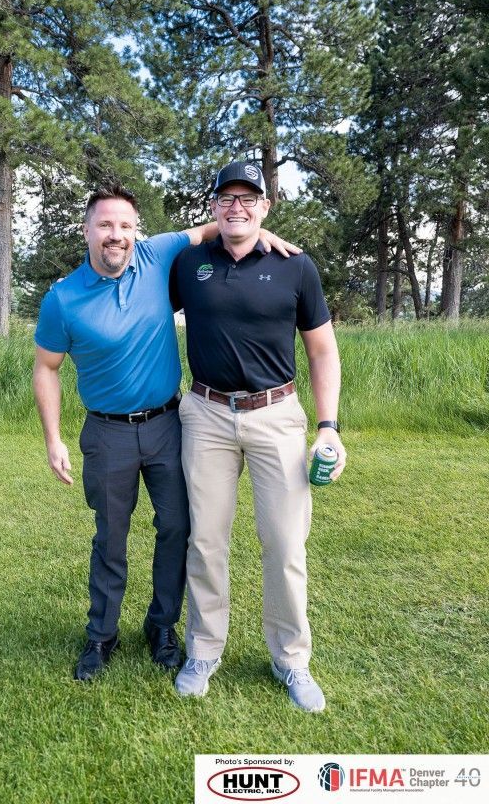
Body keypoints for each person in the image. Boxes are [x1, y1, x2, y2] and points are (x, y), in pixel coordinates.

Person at [32, 180, 298, 682]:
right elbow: (45, 368)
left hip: (169, 426)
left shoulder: (156, 256)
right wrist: (53, 438)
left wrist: (267, 236)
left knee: (178, 529)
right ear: (86, 230)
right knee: (111, 536)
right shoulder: (62, 299)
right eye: (106, 225)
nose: (117, 235)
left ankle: (162, 627)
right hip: (106, 434)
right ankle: (101, 635)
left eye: (126, 226)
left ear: (138, 231)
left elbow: (221, 225)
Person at [170, 160, 346, 711]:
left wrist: (328, 427)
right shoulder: (188, 263)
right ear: (214, 207)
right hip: (206, 414)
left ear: (266, 207)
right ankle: (203, 649)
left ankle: (291, 660)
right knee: (206, 540)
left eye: (249, 199)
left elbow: (322, 350)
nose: (237, 207)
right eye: (227, 198)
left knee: (286, 544)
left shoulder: (296, 267)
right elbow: (136, 263)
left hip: (277, 416)